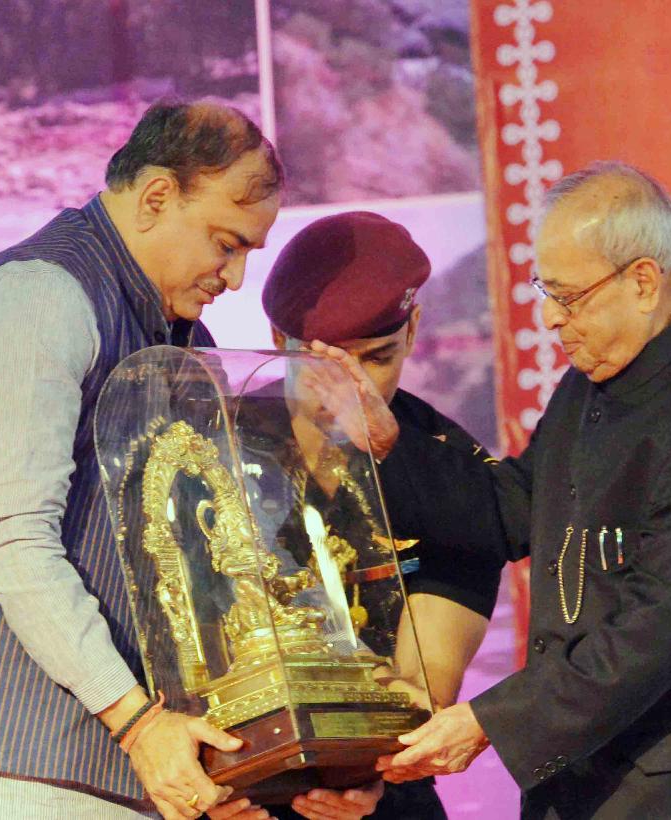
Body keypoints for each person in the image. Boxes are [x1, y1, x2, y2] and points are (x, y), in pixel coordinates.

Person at [309, 162, 671, 817]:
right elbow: (512, 509)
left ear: (643, 281)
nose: (551, 318)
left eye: (569, 296)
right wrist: (389, 444)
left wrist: (488, 722)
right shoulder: (595, 379)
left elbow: (656, 627)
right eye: (544, 290)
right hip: (603, 779)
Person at [0, 100, 283, 820]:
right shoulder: (40, 298)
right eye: (226, 243)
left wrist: (211, 754)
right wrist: (140, 726)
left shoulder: (183, 339)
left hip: (104, 761)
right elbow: (12, 543)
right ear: (156, 198)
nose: (234, 278)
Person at [253, 212, 501, 820]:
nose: (352, 391)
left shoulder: (452, 477)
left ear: (413, 328)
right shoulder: (208, 440)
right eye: (322, 365)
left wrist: (368, 772)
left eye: (377, 359)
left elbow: (426, 683)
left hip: (384, 795)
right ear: (276, 339)